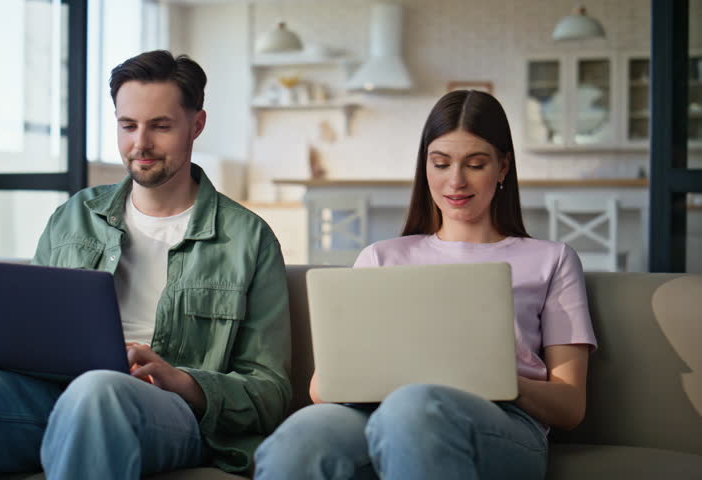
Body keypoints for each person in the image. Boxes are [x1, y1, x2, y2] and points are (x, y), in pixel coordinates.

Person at [0, 50, 292, 480]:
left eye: (160, 126)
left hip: (169, 414)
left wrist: (181, 380)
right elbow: (27, 329)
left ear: (196, 125)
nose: (140, 144)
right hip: (51, 397)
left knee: (97, 391)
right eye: (128, 126)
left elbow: (270, 392)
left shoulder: (248, 239)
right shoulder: (75, 215)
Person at [254, 90, 597, 480]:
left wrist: (496, 380)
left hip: (504, 422)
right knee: (300, 438)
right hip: (377, 411)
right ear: (426, 167)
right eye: (441, 163)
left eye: (475, 164)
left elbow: (570, 406)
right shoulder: (380, 258)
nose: (455, 180)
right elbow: (321, 389)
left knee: (415, 406)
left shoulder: (552, 260)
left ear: (502, 168)